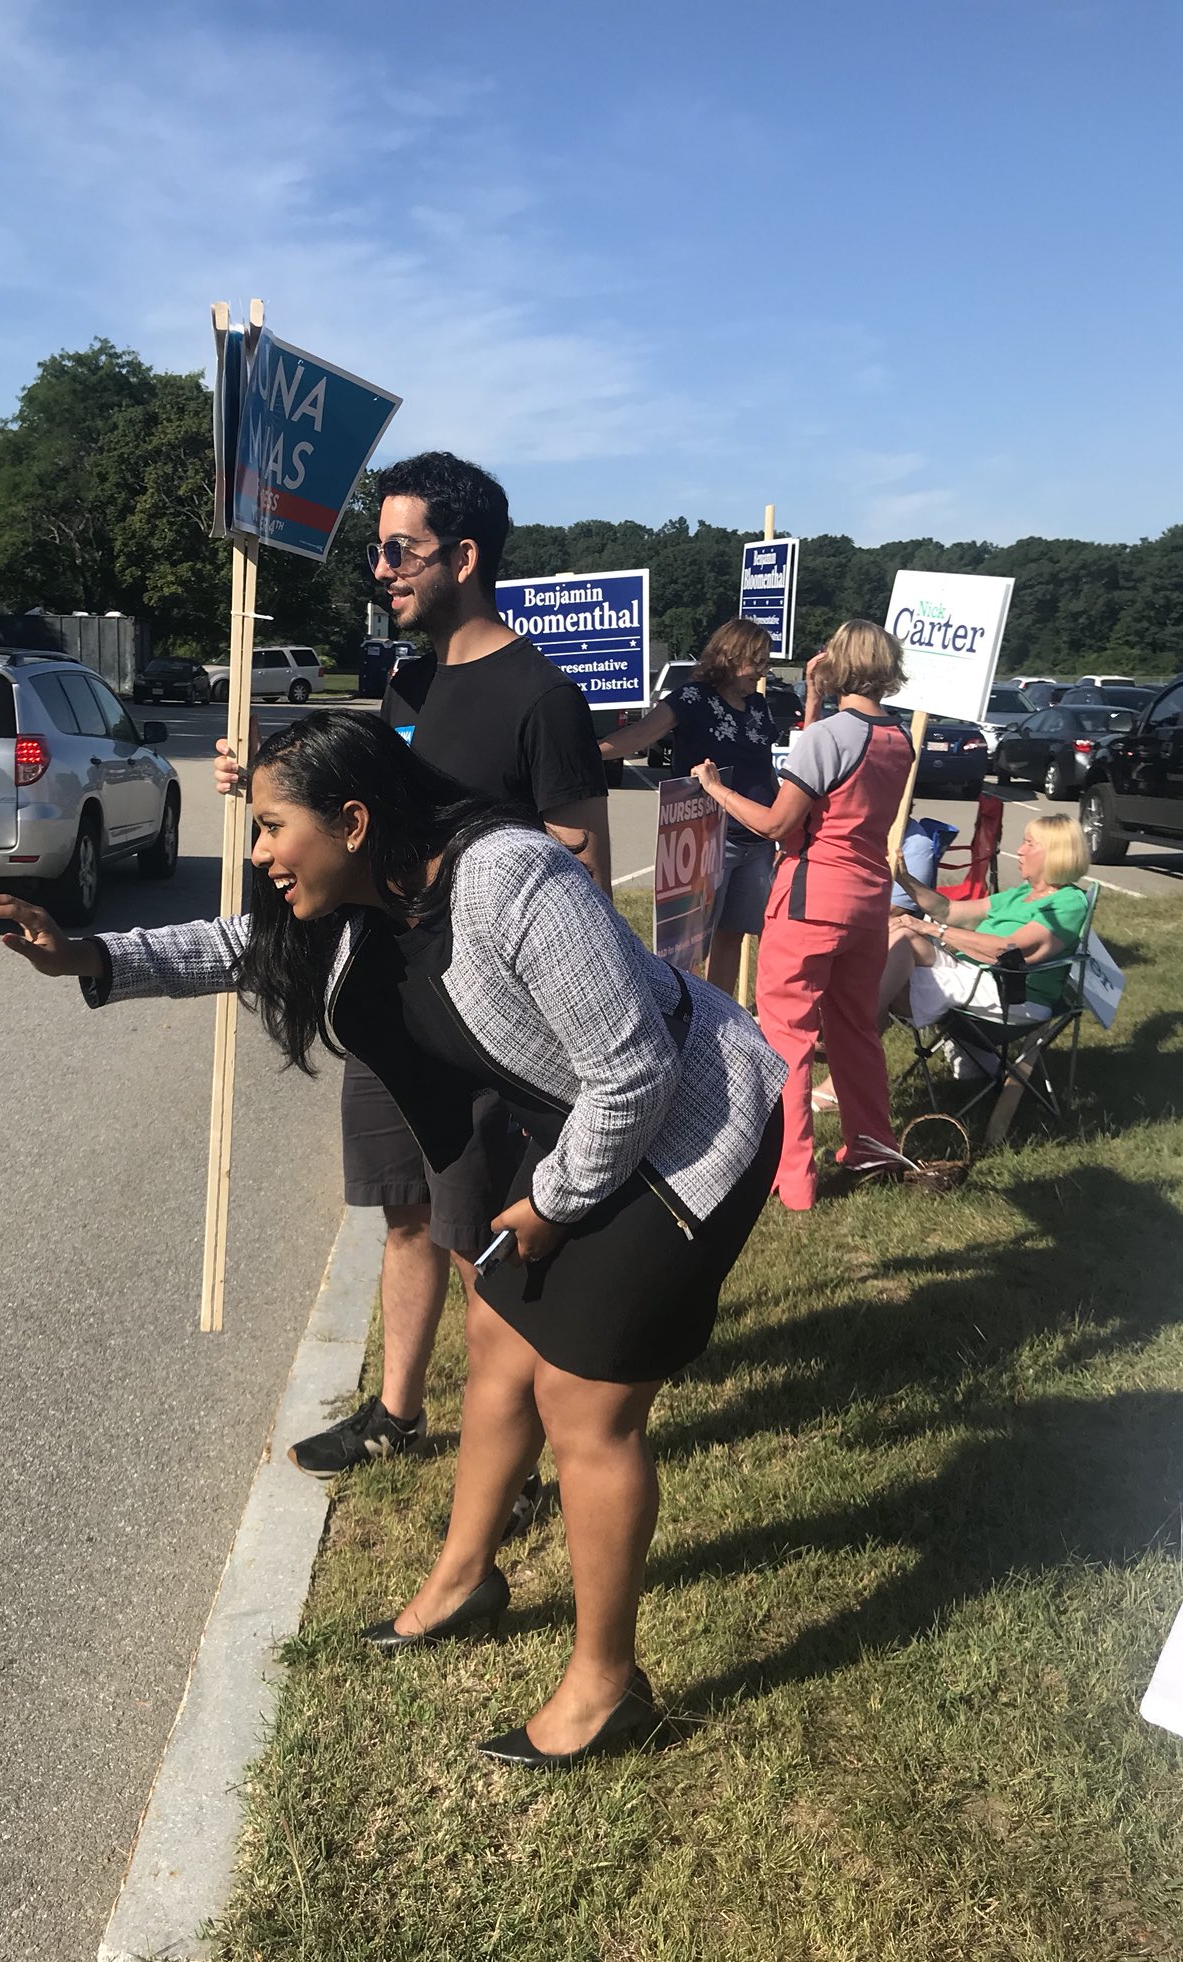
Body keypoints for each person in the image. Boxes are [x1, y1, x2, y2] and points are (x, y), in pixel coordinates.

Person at [0, 710, 784, 1765]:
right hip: (586, 1126)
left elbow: (635, 1072)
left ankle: (606, 1687)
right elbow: (237, 947)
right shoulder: (365, 898)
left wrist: (553, 1204)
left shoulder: (511, 879)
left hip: (691, 1130)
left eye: (273, 827)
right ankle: (465, 1578)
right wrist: (87, 952)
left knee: (583, 1403)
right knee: (497, 1340)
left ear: (353, 821)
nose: (258, 853)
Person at [214, 452, 611, 1488]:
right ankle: (396, 1411)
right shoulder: (408, 682)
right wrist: (271, 785)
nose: (381, 570)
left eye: (400, 550)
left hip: (475, 1027)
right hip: (386, 999)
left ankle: (509, 1458)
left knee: (483, 1241)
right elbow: (361, 812)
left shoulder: (542, 697)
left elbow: (580, 869)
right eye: (377, 551)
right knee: (403, 1211)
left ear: (464, 557)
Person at [694, 620, 914, 1211]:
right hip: (868, 900)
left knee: (786, 1037)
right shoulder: (899, 737)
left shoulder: (829, 738)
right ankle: (874, 1146)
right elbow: (835, 768)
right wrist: (815, 700)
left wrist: (715, 790)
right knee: (855, 1030)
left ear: (839, 663)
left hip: (811, 898)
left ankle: (791, 1177)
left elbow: (775, 823)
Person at [598, 618, 778, 999]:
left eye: (766, 662)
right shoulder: (691, 699)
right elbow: (639, 735)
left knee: (733, 935)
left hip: (757, 842)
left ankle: (721, 1013)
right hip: (708, 838)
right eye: (757, 661)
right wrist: (585, 751)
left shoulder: (758, 706)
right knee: (689, 943)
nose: (763, 672)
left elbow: (765, 765)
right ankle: (682, 1014)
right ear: (733, 656)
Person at [880, 814, 1091, 1032]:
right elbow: (948, 910)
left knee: (885, 978)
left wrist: (932, 928)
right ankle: (867, 1028)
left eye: (1029, 844)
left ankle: (864, 1029)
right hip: (972, 973)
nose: (1020, 850)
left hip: (1009, 991)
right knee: (896, 935)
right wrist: (904, 878)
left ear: (1055, 853)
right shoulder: (1022, 893)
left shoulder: (1068, 903)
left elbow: (1009, 950)